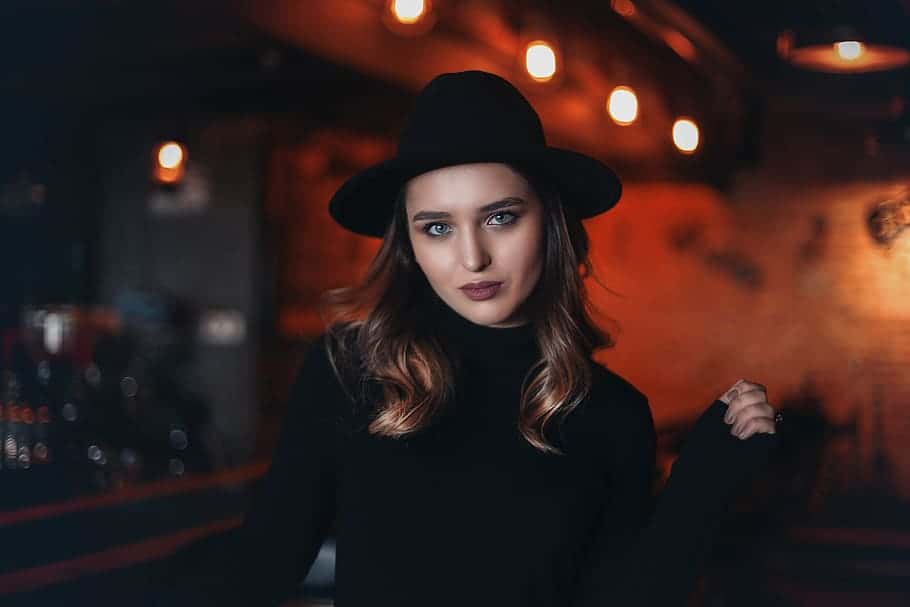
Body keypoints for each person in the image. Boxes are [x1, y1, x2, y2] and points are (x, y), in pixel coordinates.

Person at [225, 70, 783, 606]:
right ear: (410, 245)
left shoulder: (612, 413)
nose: (472, 257)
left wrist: (702, 485)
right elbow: (262, 568)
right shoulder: (349, 371)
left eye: (500, 218)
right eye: (438, 227)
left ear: (551, 222)